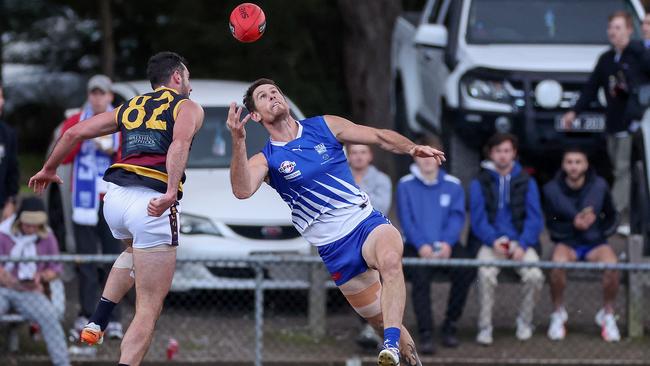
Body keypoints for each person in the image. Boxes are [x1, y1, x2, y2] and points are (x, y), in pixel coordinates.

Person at [228, 78, 445, 366]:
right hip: (334, 249)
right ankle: (405, 354)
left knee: (391, 261)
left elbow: (379, 136)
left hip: (364, 222)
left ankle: (389, 345)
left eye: (275, 92)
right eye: (263, 97)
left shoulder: (324, 126)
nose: (272, 97)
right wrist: (238, 141)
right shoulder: (267, 159)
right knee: (385, 323)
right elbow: (242, 190)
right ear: (255, 115)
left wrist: (411, 149)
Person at [29, 51, 204, 366]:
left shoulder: (131, 106)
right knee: (149, 307)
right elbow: (179, 144)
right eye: (187, 76)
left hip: (114, 199)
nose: (189, 84)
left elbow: (73, 133)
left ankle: (98, 318)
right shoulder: (187, 106)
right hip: (150, 201)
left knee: (133, 251)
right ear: (177, 76)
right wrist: (168, 192)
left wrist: (48, 168)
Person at [562, 11, 648, 229]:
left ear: (629, 30)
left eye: (618, 28)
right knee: (616, 168)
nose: (613, 32)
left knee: (623, 169)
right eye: (611, 28)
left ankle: (618, 215)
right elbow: (591, 88)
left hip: (635, 124)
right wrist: (574, 112)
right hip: (613, 123)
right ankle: (620, 213)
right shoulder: (607, 59)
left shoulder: (638, 53)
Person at [61, 75, 124, 341]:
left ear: (110, 96)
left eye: (102, 94)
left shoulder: (123, 119)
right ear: (89, 95)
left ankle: (113, 318)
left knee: (113, 261)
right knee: (86, 261)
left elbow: (128, 156)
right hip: (83, 202)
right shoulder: (76, 121)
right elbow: (63, 155)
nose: (97, 98)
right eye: (93, 93)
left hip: (111, 199)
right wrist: (82, 138)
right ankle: (86, 315)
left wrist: (109, 147)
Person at [397, 134, 474, 353]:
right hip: (416, 245)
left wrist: (448, 243)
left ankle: (450, 325)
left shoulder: (453, 185)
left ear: (439, 157)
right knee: (420, 279)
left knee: (466, 269)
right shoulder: (405, 185)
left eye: (432, 153)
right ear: (415, 157)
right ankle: (425, 333)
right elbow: (407, 219)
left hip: (447, 244)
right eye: (422, 153)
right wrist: (421, 245)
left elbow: (457, 217)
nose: (427, 158)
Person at [470, 133, 544, 346]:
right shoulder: (479, 181)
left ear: (514, 154)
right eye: (498, 151)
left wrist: (522, 244)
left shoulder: (527, 181)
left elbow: (534, 218)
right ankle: (485, 326)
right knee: (485, 274)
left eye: (507, 151)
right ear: (491, 153)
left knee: (535, 275)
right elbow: (477, 219)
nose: (503, 156)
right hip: (490, 242)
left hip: (521, 242)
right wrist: (493, 240)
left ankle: (525, 321)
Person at [543, 148, 620, 342]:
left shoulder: (600, 186)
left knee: (612, 266)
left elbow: (613, 216)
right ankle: (558, 313)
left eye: (578, 162)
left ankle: (607, 314)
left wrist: (599, 229)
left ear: (585, 165)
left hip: (595, 243)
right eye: (569, 162)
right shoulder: (551, 189)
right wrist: (571, 225)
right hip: (567, 242)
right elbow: (550, 221)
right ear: (563, 165)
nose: (574, 166)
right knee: (557, 265)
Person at [0, 197, 70, 366]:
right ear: (19, 221)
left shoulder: (47, 236)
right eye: (27, 224)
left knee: (50, 317)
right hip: (3, 288)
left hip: (31, 290)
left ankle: (62, 363)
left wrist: (43, 276)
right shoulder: (3, 233)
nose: (31, 229)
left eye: (35, 225)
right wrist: (6, 278)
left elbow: (56, 268)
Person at [346, 143, 392, 349]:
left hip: (373, 238)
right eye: (354, 152)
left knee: (379, 282)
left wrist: (350, 202)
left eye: (363, 152)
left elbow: (381, 206)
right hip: (345, 239)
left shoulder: (382, 179)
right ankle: (369, 327)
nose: (358, 157)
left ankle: (379, 330)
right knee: (356, 283)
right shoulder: (339, 176)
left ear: (370, 155)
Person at [0, 83, 19, 221]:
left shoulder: (8, 134)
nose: (1, 101)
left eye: (1, 96)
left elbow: (13, 170)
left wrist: (11, 201)